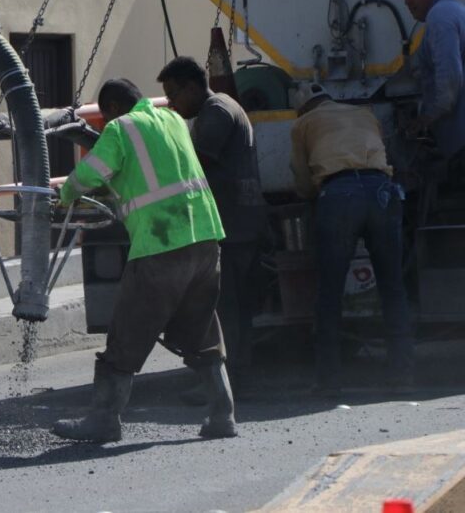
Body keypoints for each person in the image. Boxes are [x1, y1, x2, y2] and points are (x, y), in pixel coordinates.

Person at [51, 78, 236, 443]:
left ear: (115, 108)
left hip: (160, 242)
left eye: (104, 116)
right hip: (204, 238)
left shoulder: (121, 128)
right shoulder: (173, 121)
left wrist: (66, 193)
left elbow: (91, 173)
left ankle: (104, 419)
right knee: (201, 327)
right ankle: (223, 415)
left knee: (128, 330)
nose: (104, 124)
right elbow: (152, 172)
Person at [289, 83, 413, 395]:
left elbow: (302, 180)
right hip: (382, 190)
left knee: (330, 290)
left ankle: (329, 380)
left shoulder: (303, 123)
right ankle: (402, 374)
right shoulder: (364, 113)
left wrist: (313, 196)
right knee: (393, 287)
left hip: (339, 194)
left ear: (303, 108)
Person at [157, 57, 267, 384]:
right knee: (233, 306)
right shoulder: (216, 109)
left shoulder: (216, 112)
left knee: (224, 307)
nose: (172, 103)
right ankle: (238, 378)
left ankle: (228, 384)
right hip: (236, 222)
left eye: (174, 94)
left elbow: (196, 165)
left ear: (192, 86)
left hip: (232, 224)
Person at [399, 0, 465, 169]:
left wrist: (426, 119)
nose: (407, 2)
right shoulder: (455, 8)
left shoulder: (440, 16)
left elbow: (450, 80)